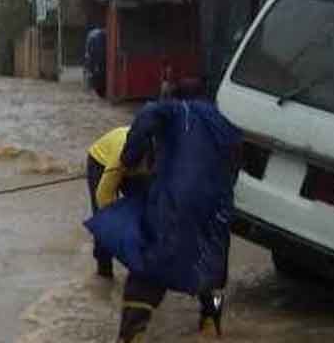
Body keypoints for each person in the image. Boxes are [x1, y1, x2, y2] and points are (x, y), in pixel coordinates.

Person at [85, 79, 241, 342]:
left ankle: (131, 335)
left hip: (176, 202)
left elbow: (148, 114)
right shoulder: (226, 126)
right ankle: (211, 324)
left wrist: (129, 157)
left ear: (176, 97)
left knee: (149, 269)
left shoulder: (177, 110)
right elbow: (234, 169)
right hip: (216, 209)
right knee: (212, 271)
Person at [85, 126, 152, 278]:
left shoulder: (162, 153)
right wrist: (117, 230)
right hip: (100, 161)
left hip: (139, 164)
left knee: (145, 212)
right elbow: (104, 200)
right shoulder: (117, 162)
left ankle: (142, 268)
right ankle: (104, 269)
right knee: (103, 220)